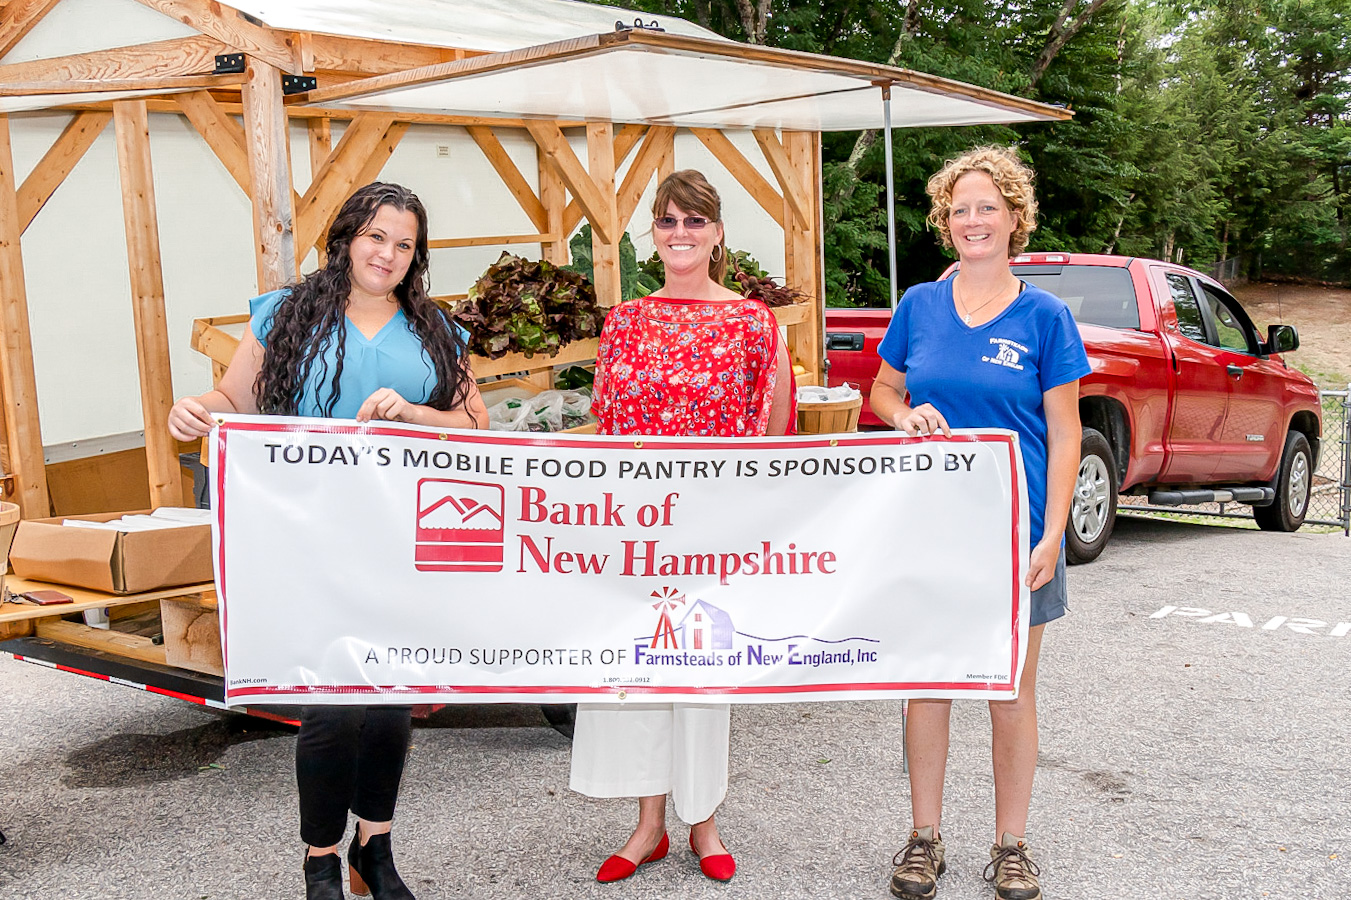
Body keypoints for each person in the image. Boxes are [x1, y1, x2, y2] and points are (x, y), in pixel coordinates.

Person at [167, 182, 487, 900]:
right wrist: (193, 410)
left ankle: (374, 848)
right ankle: (320, 860)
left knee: (391, 697)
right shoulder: (286, 315)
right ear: (346, 237)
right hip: (307, 540)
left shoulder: (435, 329)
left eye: (403, 244)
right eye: (376, 237)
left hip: (397, 541)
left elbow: (475, 424)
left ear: (415, 256)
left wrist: (414, 413)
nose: (388, 254)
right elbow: (234, 400)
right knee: (332, 703)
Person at [869, 146, 1088, 900]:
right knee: (929, 684)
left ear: (1014, 217)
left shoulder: (1045, 316)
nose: (973, 220)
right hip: (932, 529)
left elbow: (1066, 432)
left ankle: (1011, 845)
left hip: (1017, 534)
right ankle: (923, 837)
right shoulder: (919, 306)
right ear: (945, 221)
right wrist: (904, 415)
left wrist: (1053, 534)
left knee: (1010, 692)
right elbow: (882, 391)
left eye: (987, 206)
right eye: (959, 208)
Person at [569, 169, 794, 884]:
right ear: (653, 235)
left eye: (694, 220)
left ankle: (704, 823)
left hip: (716, 531)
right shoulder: (625, 322)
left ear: (718, 233)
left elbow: (777, 433)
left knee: (703, 671)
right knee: (640, 672)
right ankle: (648, 826)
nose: (680, 233)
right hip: (636, 529)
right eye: (667, 221)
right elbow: (607, 430)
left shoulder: (753, 323)